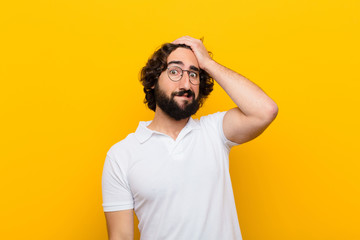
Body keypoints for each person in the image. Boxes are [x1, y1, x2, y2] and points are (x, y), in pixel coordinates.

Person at [102, 36, 278, 240]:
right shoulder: (121, 155)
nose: (186, 83)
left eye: (194, 74)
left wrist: (208, 63)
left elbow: (266, 110)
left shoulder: (214, 132)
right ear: (153, 81)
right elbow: (120, 237)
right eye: (174, 71)